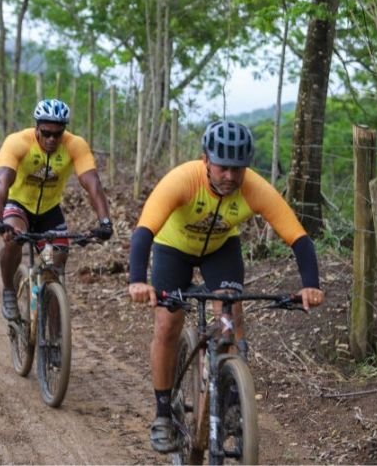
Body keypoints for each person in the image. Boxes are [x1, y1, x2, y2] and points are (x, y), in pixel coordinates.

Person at [127, 120, 325, 453]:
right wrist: (137, 282)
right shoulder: (182, 180)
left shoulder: (254, 188)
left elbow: (299, 238)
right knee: (167, 323)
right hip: (172, 248)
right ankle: (163, 413)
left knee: (231, 313)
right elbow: (144, 231)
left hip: (220, 249)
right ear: (206, 159)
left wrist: (311, 286)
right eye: (223, 167)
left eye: (238, 169)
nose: (231, 177)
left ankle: (233, 399)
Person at [0, 98, 113, 320]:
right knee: (13, 238)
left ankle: (54, 340)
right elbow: (1, 182)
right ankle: (9, 289)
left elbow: (92, 184)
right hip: (19, 205)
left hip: (49, 211)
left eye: (57, 134)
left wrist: (105, 221)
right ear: (36, 127)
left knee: (54, 266)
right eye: (46, 132)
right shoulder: (18, 142)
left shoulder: (75, 145)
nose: (51, 139)